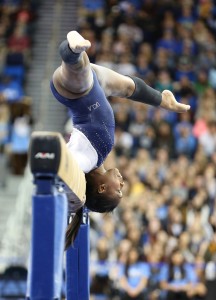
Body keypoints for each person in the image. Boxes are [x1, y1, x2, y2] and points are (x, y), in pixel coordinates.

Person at [50, 31, 190, 248]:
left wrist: (72, 201)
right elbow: (128, 88)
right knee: (127, 87)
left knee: (79, 65)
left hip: (80, 95)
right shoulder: (97, 162)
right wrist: (162, 102)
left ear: (102, 188)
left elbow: (65, 172)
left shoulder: (84, 162)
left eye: (119, 190)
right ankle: (162, 100)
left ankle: (72, 49)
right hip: (96, 89)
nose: (123, 184)